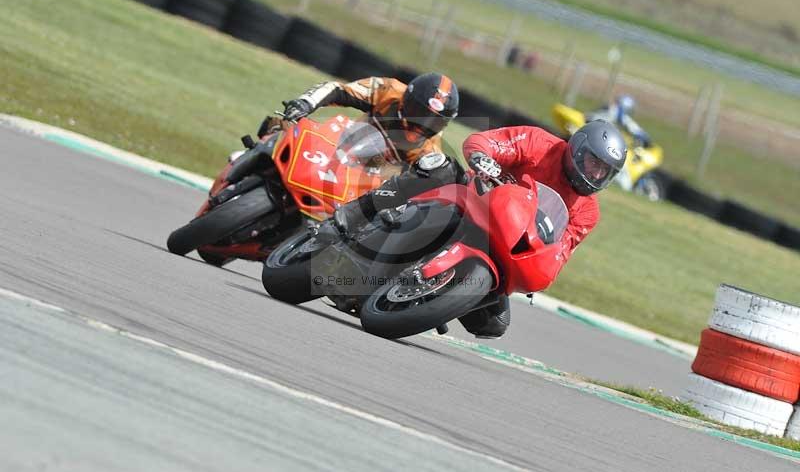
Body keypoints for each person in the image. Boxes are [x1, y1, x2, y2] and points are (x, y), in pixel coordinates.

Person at [325, 120, 627, 339]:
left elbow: (560, 251)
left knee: (495, 323)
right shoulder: (539, 143)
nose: (595, 174)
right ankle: (354, 215)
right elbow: (486, 142)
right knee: (437, 166)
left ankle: (427, 297)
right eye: (592, 163)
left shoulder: (588, 211)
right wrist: (483, 158)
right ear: (577, 149)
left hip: (506, 244)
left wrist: (541, 267)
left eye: (604, 171)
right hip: (473, 199)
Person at [258, 73, 459, 164]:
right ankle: (246, 160)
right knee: (278, 127)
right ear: (407, 98)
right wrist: (305, 103)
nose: (421, 124)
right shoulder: (388, 90)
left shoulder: (430, 152)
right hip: (338, 145)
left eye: (433, 122)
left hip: (360, 188)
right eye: (418, 112)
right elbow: (338, 90)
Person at [586, 94, 651, 147]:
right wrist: (643, 136)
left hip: (593, 128)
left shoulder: (610, 109)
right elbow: (634, 128)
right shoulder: (618, 113)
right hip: (597, 134)